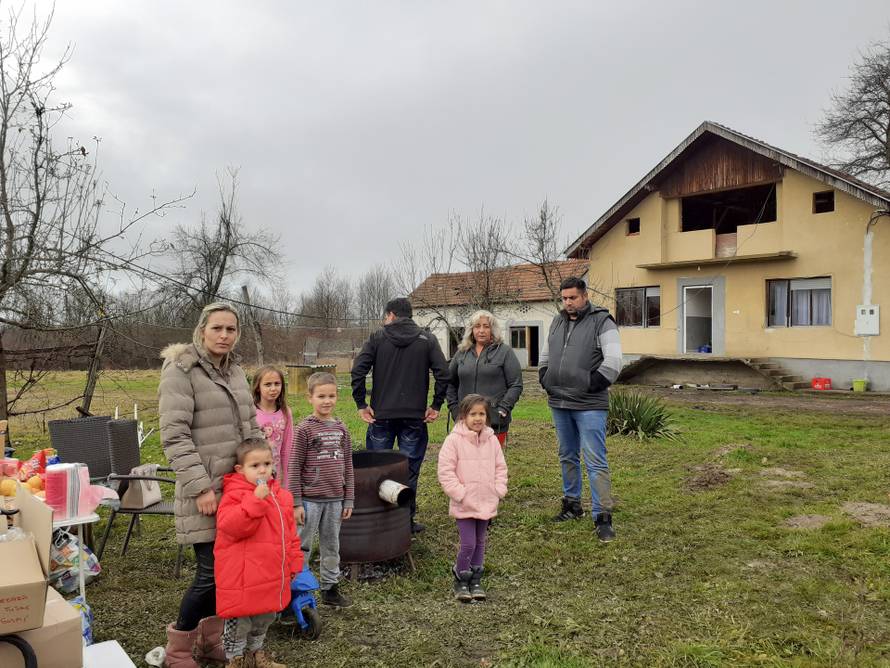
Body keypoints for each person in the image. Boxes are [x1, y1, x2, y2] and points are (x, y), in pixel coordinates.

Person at [158, 302, 265, 668]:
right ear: (202, 329)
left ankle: (209, 639)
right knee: (210, 575)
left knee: (230, 572)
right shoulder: (181, 369)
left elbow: (251, 428)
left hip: (238, 490)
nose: (224, 336)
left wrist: (263, 474)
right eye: (217, 328)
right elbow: (174, 435)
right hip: (204, 492)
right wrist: (200, 487)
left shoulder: (235, 371)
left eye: (231, 330)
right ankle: (178, 650)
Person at [351, 297, 450, 534]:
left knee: (377, 470)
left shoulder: (377, 338)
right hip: (414, 418)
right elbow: (443, 374)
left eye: (386, 317)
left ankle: (378, 522)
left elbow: (358, 370)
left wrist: (361, 403)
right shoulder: (427, 339)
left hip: (381, 417)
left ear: (392, 315)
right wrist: (435, 405)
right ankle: (406, 521)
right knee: (409, 470)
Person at [538, 276, 623, 542]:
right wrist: (545, 377)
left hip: (589, 404)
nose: (568, 303)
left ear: (584, 296)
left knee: (595, 460)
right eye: (564, 298)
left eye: (572, 298)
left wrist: (590, 384)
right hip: (559, 402)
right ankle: (572, 505)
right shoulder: (557, 320)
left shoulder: (602, 321)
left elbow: (614, 361)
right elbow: (545, 355)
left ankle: (602, 516)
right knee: (567, 456)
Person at [214, 438, 301, 668]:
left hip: (271, 574)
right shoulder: (234, 495)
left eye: (267, 463)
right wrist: (255, 501)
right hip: (244, 577)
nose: (263, 470)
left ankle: (256, 653)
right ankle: (235, 659)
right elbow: (231, 527)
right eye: (255, 466)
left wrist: (294, 564)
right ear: (240, 470)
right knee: (240, 620)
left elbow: (290, 535)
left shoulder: (282, 497)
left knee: (265, 616)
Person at [288, 371, 355, 607]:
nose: (327, 401)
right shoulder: (304, 429)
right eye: (321, 396)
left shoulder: (341, 429)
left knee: (331, 545)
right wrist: (296, 502)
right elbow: (294, 466)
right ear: (310, 398)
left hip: (335, 500)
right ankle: (296, 589)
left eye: (331, 396)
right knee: (302, 546)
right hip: (309, 500)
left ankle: (330, 588)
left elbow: (348, 465)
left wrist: (348, 500)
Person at [437, 393, 508, 602]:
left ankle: (476, 578)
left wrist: (498, 489)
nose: (478, 419)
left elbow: (500, 467)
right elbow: (445, 471)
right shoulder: (453, 441)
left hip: (486, 499)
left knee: (480, 541)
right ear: (463, 416)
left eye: (482, 414)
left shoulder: (492, 440)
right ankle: (461, 575)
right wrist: (460, 494)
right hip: (464, 502)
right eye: (473, 414)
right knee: (468, 543)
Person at [446, 310, 523, 446]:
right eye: (477, 326)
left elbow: (516, 384)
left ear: (492, 329)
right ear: (471, 330)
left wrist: (504, 408)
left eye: (486, 326)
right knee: (466, 463)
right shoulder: (461, 353)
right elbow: (449, 383)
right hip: (465, 421)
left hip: (494, 421)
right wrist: (454, 409)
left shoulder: (505, 352)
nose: (481, 330)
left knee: (490, 464)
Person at [251, 365, 294, 480]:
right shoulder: (250, 412)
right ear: (258, 387)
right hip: (255, 474)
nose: (273, 388)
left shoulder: (286, 413)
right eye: (268, 384)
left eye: (277, 384)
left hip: (277, 474)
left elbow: (287, 447)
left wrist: (285, 476)